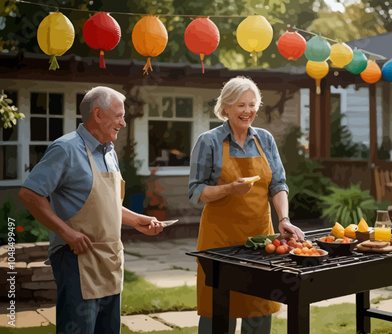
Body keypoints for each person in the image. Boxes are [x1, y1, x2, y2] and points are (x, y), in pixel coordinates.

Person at [19, 86, 164, 333]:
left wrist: (138, 220)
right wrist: (67, 234)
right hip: (77, 260)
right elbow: (30, 194)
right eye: (119, 115)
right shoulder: (65, 149)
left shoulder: (110, 152)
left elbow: (107, 204)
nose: (124, 122)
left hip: (110, 259)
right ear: (98, 114)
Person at [189, 76, 304, 334]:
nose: (248, 111)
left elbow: (278, 184)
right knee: (218, 310)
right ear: (226, 107)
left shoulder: (265, 139)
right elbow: (196, 191)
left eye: (252, 105)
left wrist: (283, 219)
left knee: (258, 310)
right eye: (240, 105)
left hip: (261, 239)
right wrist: (230, 188)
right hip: (219, 239)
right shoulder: (208, 141)